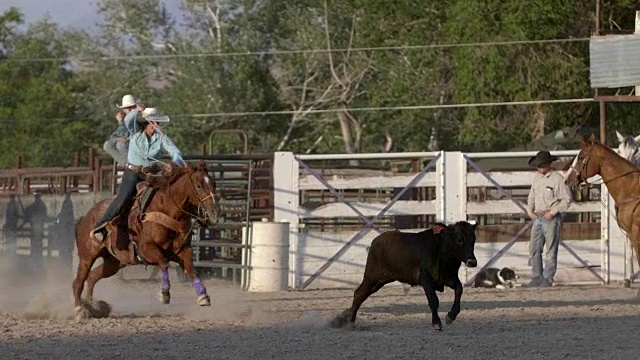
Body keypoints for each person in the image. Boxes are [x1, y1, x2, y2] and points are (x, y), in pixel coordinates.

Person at [90, 107, 185, 241]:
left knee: (166, 194)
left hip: (150, 174)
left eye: (158, 123)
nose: (157, 126)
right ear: (146, 124)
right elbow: (129, 119)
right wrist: (137, 111)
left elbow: (177, 153)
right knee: (123, 198)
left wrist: (174, 163)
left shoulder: (161, 138)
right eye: (154, 122)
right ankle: (101, 225)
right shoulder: (135, 133)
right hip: (133, 173)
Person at [523, 150, 572, 288]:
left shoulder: (557, 179)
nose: (539, 168)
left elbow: (567, 199)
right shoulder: (537, 178)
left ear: (548, 164)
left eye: (541, 165)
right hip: (538, 216)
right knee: (534, 248)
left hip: (551, 217)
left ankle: (547, 278)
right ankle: (536, 276)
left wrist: (553, 212)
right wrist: (530, 211)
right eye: (538, 166)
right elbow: (531, 196)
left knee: (551, 249)